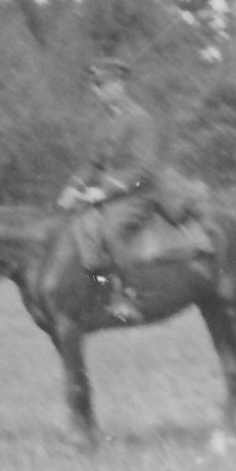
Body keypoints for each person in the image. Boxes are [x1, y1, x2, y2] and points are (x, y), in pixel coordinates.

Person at [56, 56, 159, 325]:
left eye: (101, 84)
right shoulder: (104, 122)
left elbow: (143, 169)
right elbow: (93, 163)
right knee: (72, 225)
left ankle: (129, 294)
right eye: (95, 84)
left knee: (110, 231)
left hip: (137, 196)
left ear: (119, 85)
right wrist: (73, 188)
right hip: (109, 194)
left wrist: (103, 192)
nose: (96, 90)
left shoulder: (140, 120)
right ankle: (94, 291)